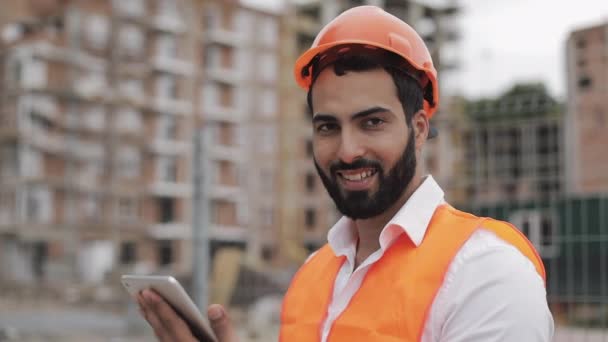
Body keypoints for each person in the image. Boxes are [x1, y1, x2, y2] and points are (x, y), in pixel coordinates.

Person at [137, 5, 554, 341]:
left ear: (419, 129)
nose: (348, 150)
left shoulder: (487, 273)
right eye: (328, 127)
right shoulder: (311, 278)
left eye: (372, 122)